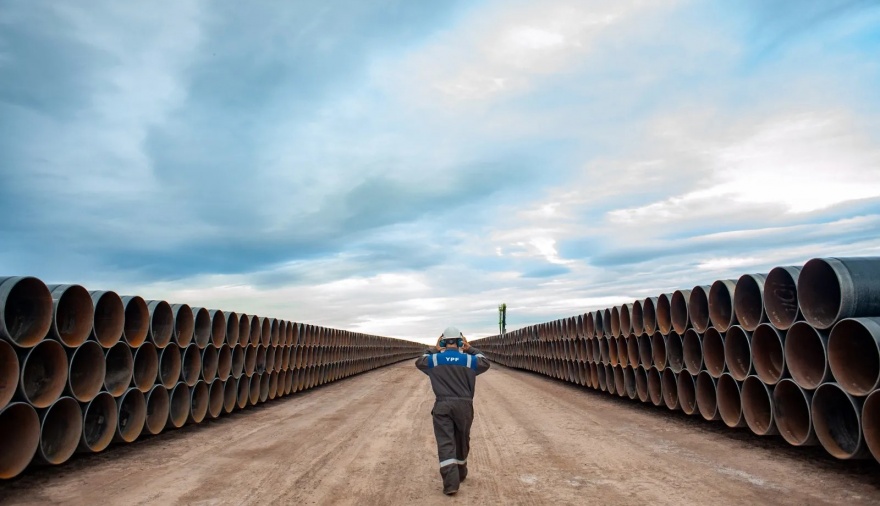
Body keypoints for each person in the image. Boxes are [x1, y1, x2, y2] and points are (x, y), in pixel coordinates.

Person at [415, 326, 490, 495]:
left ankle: (451, 484)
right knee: (462, 439)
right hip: (464, 406)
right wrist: (470, 348)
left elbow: (420, 361)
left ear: (443, 341)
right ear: (459, 341)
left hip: (442, 405)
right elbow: (485, 362)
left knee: (445, 442)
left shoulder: (434, 360)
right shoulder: (469, 361)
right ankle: (461, 473)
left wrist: (434, 349)